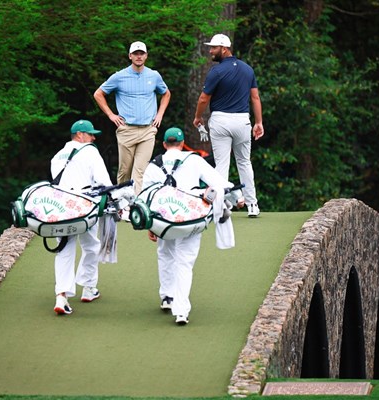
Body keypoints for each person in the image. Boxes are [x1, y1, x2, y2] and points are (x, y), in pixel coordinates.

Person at [142, 127, 238, 325]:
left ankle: (167, 297)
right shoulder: (193, 160)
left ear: (164, 144)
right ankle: (181, 310)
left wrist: (150, 226)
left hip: (162, 220)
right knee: (184, 262)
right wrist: (238, 197)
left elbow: (145, 198)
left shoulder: (153, 165)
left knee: (165, 253)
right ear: (182, 143)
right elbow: (219, 183)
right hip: (190, 218)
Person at [193, 33, 264, 218]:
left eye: (214, 48)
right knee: (244, 162)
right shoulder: (248, 69)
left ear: (224, 49)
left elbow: (203, 98)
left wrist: (198, 117)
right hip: (242, 121)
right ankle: (252, 205)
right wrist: (259, 122)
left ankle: (221, 206)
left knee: (222, 165)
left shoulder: (216, 71)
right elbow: (255, 98)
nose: (210, 51)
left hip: (221, 120)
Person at [49, 119, 113, 315]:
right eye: (90, 134)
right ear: (79, 135)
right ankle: (88, 287)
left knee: (64, 249)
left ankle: (62, 296)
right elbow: (103, 181)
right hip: (84, 206)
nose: (93, 138)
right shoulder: (91, 152)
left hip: (60, 207)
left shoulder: (58, 155)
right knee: (91, 245)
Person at [93, 40, 171, 197]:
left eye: (141, 53)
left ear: (146, 56)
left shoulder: (154, 75)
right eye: (136, 54)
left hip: (148, 130)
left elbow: (166, 93)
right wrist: (111, 115)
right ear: (130, 56)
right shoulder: (119, 76)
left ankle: (134, 206)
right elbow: (98, 94)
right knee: (124, 171)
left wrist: (160, 114)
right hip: (126, 130)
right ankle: (121, 202)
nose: (139, 56)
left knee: (140, 171)